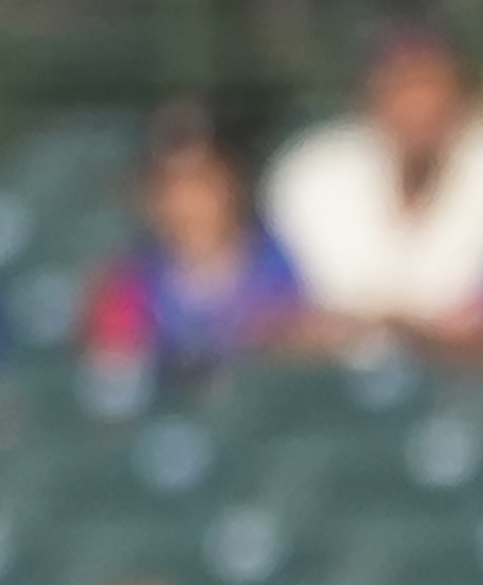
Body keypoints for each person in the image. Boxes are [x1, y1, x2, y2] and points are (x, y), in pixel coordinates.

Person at [260, 28, 483, 355]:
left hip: (470, 391)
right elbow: (268, 317)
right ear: (371, 97)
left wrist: (425, 336)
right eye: (402, 89)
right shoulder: (313, 175)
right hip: (331, 384)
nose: (420, 107)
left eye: (434, 88)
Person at [81, 108, 317, 383]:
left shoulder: (292, 262)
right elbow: (111, 372)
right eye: (171, 186)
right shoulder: (127, 284)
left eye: (203, 181)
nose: (188, 203)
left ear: (233, 182)